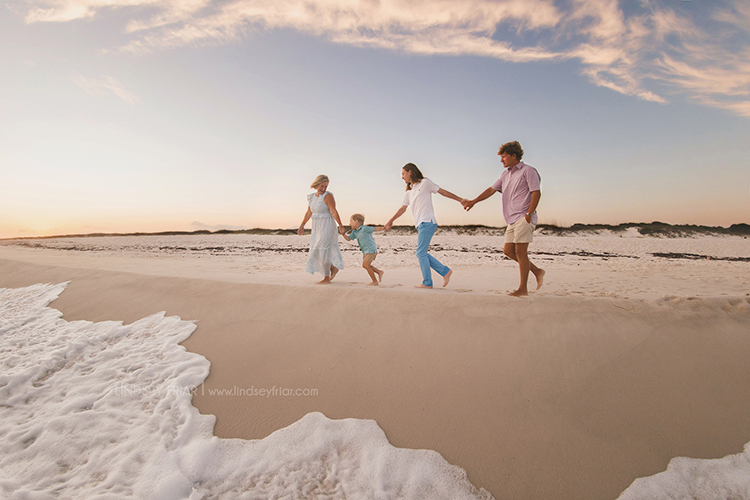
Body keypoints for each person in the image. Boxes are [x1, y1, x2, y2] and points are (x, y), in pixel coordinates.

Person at [463, 141, 545, 297]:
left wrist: (529, 214)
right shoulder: (505, 175)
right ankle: (537, 271)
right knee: (508, 251)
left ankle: (523, 289)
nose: (501, 160)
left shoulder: (528, 171)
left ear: (514, 156)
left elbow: (536, 192)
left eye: (504, 157)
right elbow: (491, 190)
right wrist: (473, 201)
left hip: (524, 216)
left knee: (520, 252)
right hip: (511, 219)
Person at [384, 163, 464, 289]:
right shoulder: (409, 192)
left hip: (428, 222)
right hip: (420, 224)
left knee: (420, 253)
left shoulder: (425, 183)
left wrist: (460, 200)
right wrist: (391, 220)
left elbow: (442, 192)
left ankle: (428, 282)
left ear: (410, 172)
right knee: (422, 253)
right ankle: (445, 272)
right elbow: (403, 208)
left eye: (403, 174)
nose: (402, 177)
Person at [298, 175, 345, 284]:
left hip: (327, 225)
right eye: (322, 186)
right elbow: (309, 212)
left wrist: (340, 225)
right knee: (318, 249)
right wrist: (302, 225)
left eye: (326, 186)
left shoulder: (328, 196)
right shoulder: (312, 198)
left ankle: (326, 277)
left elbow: (333, 211)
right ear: (316, 184)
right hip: (316, 227)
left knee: (324, 249)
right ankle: (333, 268)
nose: (324, 189)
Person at [342, 213, 385, 286]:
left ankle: (375, 281)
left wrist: (384, 228)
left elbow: (375, 229)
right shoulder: (355, 232)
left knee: (365, 265)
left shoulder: (364, 228)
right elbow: (349, 239)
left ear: (356, 222)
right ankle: (379, 272)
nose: (349, 223)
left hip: (371, 249)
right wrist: (343, 234)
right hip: (366, 251)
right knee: (366, 265)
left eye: (351, 221)